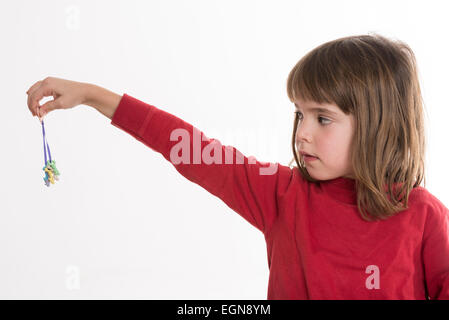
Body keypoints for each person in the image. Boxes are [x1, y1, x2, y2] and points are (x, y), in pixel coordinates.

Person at [26, 33, 449, 300]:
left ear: (378, 124)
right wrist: (94, 96)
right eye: (299, 115)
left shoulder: (424, 217)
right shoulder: (281, 194)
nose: (302, 133)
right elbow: (191, 149)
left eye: (322, 118)